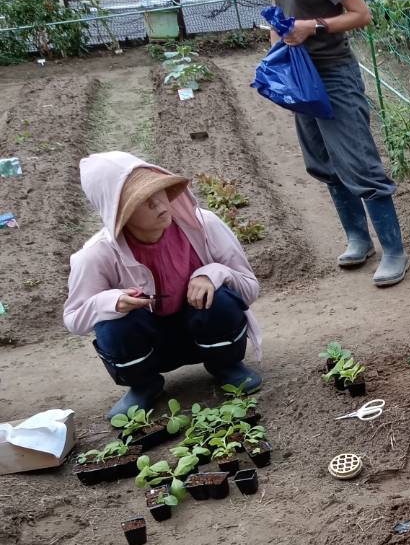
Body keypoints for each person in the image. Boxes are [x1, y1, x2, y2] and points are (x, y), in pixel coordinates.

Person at [251, 0, 409, 288]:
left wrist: (314, 26)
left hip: (333, 72)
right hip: (299, 72)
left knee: (358, 161)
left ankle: (394, 250)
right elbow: (278, 14)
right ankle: (358, 239)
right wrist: (276, 56)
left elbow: (361, 15)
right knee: (321, 161)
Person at [63, 152, 263, 418]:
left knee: (221, 299)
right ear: (120, 213)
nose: (159, 204)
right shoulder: (95, 255)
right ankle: (144, 385)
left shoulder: (204, 225)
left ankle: (226, 366)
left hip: (202, 330)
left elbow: (250, 288)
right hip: (150, 343)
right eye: (143, 201)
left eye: (158, 192)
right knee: (113, 324)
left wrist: (213, 273)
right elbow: (74, 318)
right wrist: (112, 302)